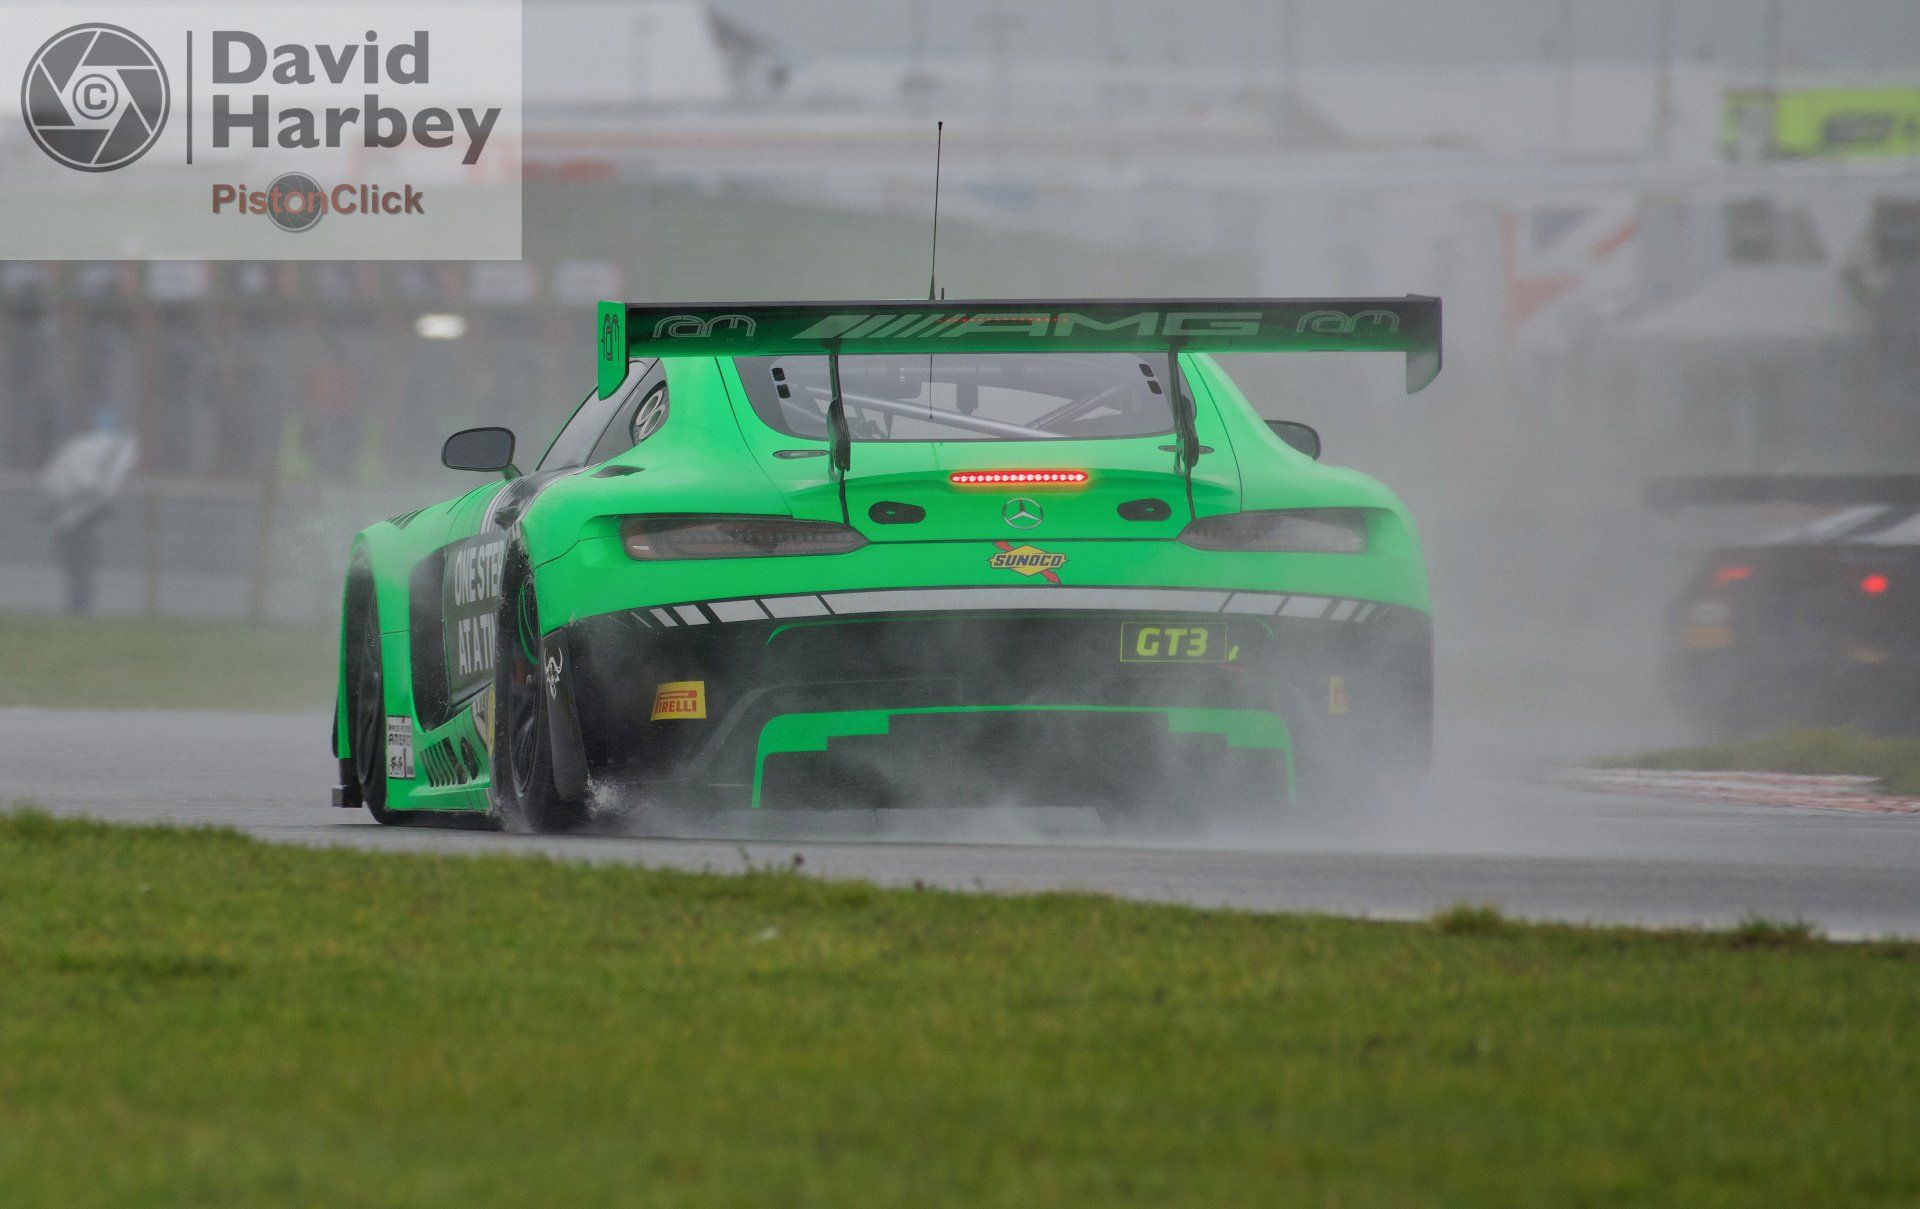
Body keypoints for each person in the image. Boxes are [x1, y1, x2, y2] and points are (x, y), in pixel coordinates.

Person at [38, 408, 138, 616]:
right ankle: (80, 607)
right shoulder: (111, 447)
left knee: (78, 564)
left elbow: (73, 479)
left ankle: (79, 607)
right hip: (81, 514)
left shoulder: (81, 447)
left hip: (78, 515)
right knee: (81, 563)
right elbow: (98, 484)